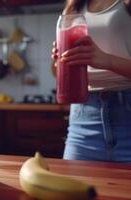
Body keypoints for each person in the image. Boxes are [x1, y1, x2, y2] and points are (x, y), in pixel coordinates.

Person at [52, 0, 131, 162]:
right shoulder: (74, 6)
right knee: (74, 186)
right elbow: (55, 71)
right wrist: (59, 61)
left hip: (127, 116)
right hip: (83, 119)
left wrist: (107, 60)